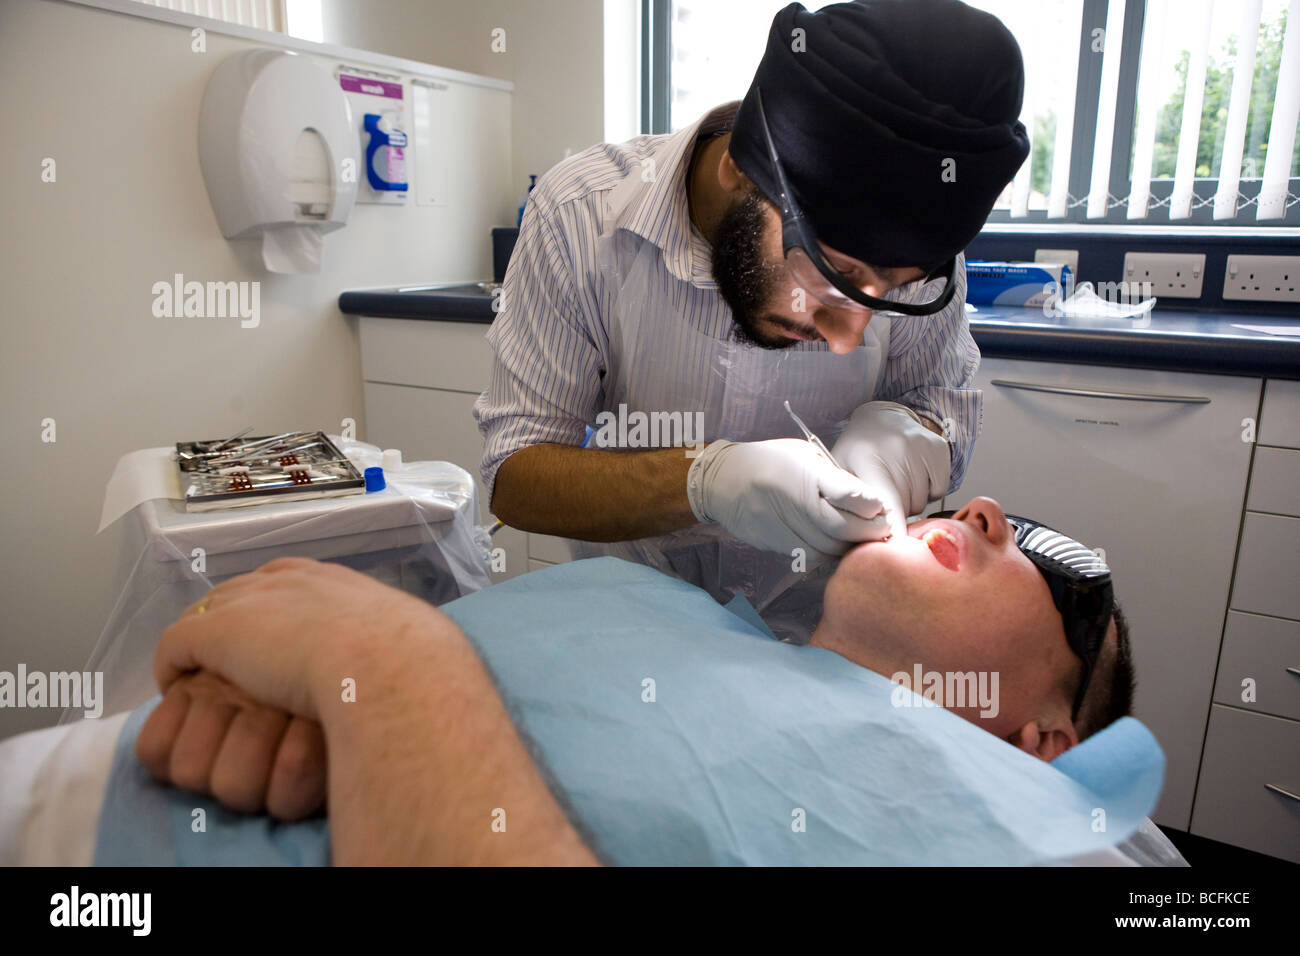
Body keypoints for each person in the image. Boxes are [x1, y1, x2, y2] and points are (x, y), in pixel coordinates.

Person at [134, 497, 1134, 865]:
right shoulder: (642, 593)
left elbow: (373, 662)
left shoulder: (963, 821)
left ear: (1044, 738)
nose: (989, 509)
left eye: (1062, 573)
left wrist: (384, 667)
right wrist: (272, 698)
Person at [473, 0, 1031, 640]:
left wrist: (901, 442)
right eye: (838, 274)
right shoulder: (580, 218)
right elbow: (516, 477)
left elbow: (941, 401)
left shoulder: (916, 259)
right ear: (740, 167)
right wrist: (704, 481)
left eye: (893, 290)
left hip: (827, 640)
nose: (848, 339)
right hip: (634, 636)